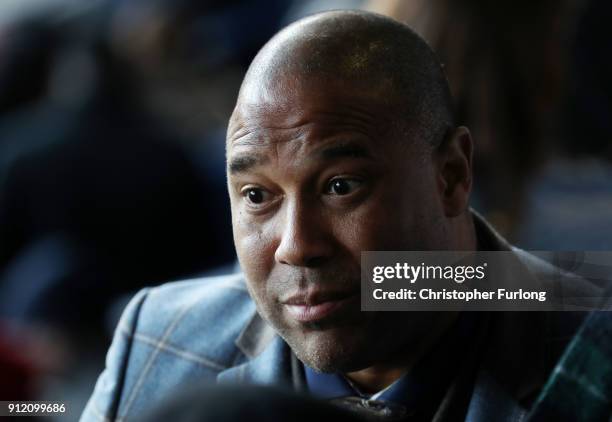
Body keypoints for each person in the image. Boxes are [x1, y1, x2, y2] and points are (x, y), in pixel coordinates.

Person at [81, 10, 598, 421]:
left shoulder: (590, 358)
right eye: (257, 196)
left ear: (452, 177)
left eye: (340, 187)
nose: (295, 246)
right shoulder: (160, 335)